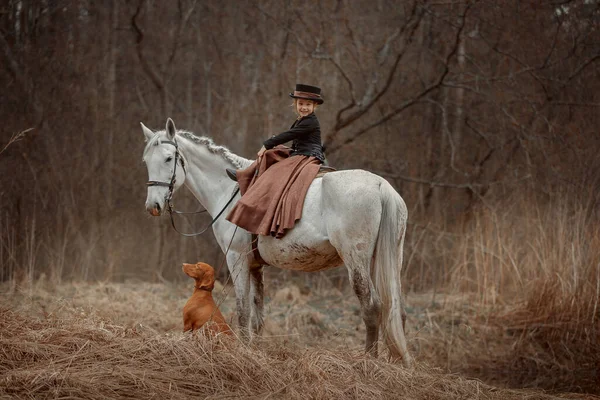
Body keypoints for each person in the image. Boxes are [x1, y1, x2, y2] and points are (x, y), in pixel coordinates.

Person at [225, 84, 325, 238]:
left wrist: (267, 143)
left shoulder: (310, 122)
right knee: (272, 154)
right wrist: (272, 145)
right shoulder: (302, 119)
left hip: (307, 155)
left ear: (314, 106)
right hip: (299, 152)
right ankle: (245, 175)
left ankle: (262, 197)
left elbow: (290, 134)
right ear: (296, 104)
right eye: (301, 104)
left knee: (275, 172)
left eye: (308, 105)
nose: (304, 107)